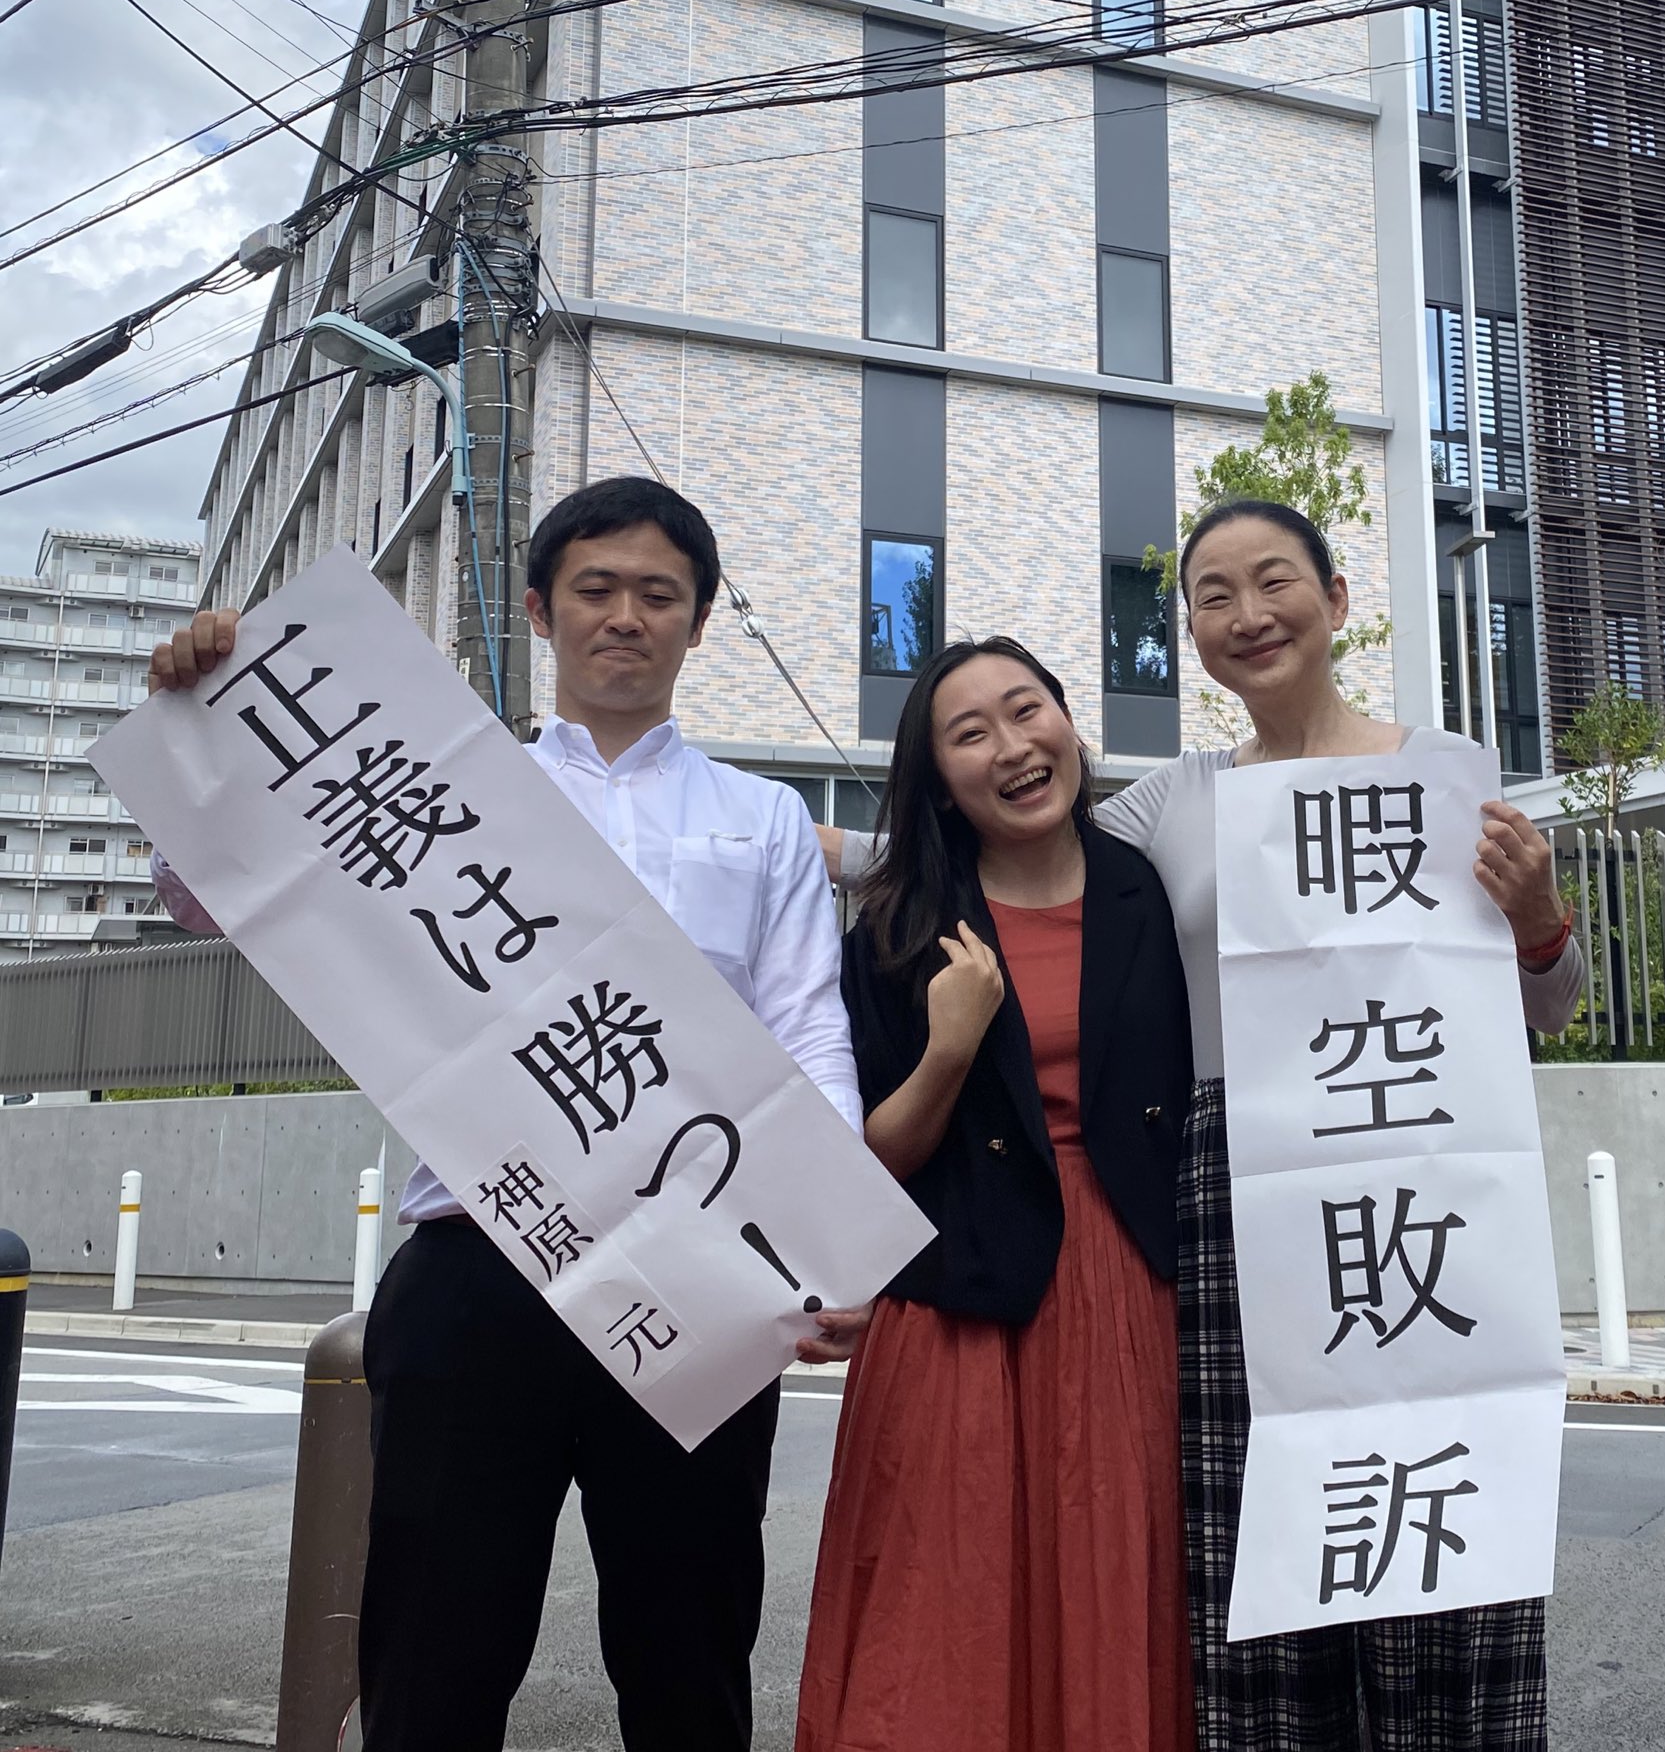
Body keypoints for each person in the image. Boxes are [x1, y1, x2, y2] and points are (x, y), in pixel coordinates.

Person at [822, 499, 1585, 1752]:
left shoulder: (1441, 775)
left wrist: (1540, 917)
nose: (1247, 614)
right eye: (1212, 596)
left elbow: (1541, 1007)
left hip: (1418, 1177)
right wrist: (794, 844)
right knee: (1267, 1542)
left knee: (1432, 1524)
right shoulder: (1173, 804)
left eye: (1273, 580)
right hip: (1233, 1195)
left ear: (1335, 598)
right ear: (1190, 634)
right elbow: (1005, 849)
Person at [148, 476, 870, 1752]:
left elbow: (808, 1025)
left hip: (695, 1271)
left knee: (690, 1649)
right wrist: (201, 707)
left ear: (699, 621)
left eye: (659, 594)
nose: (626, 616)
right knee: (434, 1649)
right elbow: (215, 895)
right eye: (596, 588)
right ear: (540, 609)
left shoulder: (760, 818)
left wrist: (833, 1244)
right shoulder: (431, 789)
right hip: (477, 1259)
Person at [795, 637, 1196, 1752]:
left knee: (1114, 1590)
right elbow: (870, 1159)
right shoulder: (895, 928)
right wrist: (948, 1047)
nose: (1012, 747)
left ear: (1069, 722)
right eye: (969, 733)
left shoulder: (1152, 892)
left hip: (1128, 1288)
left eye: (1027, 711)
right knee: (941, 1611)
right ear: (939, 779)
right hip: (957, 1299)